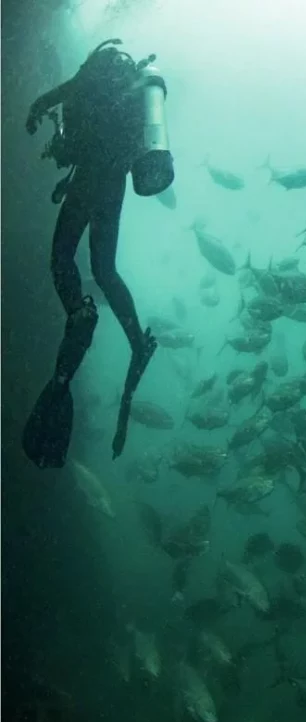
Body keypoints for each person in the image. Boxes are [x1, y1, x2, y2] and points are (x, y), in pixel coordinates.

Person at [22, 38, 174, 469]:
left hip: (91, 174)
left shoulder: (92, 74)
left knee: (61, 258)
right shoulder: (128, 90)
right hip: (114, 181)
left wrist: (36, 111)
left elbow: (55, 98)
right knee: (104, 269)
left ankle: (79, 311)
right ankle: (135, 341)